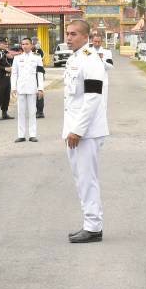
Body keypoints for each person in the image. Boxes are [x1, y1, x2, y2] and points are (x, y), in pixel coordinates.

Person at [62, 19, 109, 243]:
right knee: (80, 178)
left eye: (73, 34)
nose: (68, 38)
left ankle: (93, 226)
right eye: (67, 33)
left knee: (87, 178)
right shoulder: (75, 58)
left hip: (86, 132)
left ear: (85, 36)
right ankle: (89, 223)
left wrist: (78, 130)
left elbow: (92, 98)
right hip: (76, 129)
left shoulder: (91, 61)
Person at [11, 36, 43, 142]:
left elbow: (40, 74)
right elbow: (14, 74)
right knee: (21, 112)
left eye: (27, 44)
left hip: (32, 88)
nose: (24, 46)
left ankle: (32, 134)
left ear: (31, 45)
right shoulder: (17, 58)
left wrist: (40, 88)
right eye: (23, 44)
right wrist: (13, 87)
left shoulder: (37, 57)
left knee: (32, 112)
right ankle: (21, 135)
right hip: (21, 88)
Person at [0, 38, 13, 119]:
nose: (6, 45)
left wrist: (10, 56)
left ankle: (4, 112)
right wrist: (4, 68)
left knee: (7, 95)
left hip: (7, 77)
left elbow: (11, 60)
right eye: (4, 44)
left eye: (6, 44)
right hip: (0, 76)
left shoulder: (6, 53)